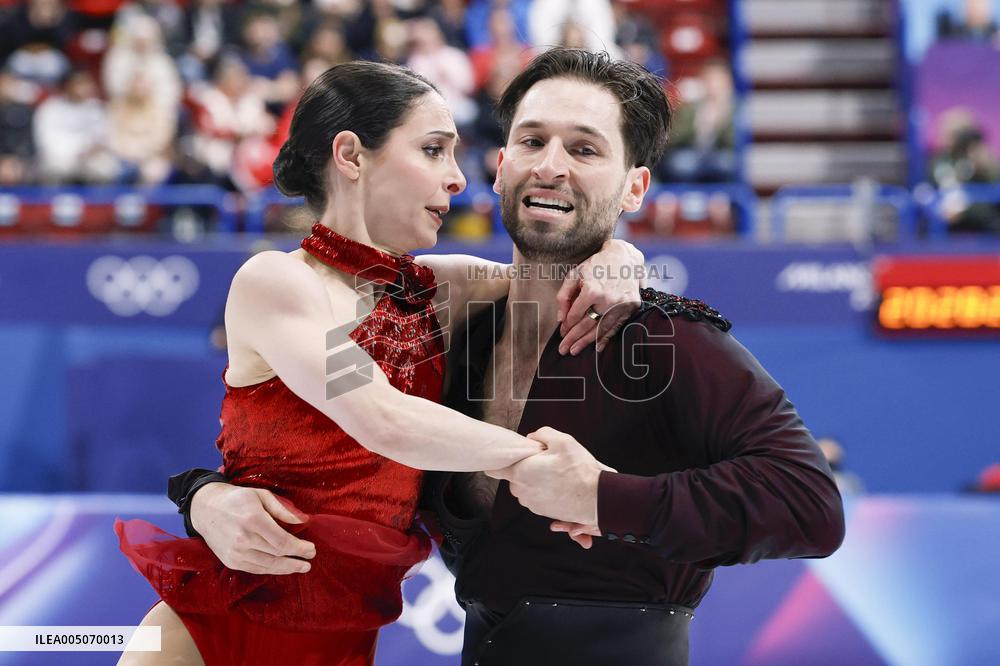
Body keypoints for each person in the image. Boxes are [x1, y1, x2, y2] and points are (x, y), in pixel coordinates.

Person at [171, 49, 846, 665]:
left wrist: (606, 497)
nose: (550, 164)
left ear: (635, 188)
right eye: (532, 141)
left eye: (584, 149)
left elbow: (811, 505)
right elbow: (348, 430)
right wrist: (205, 496)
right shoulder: (441, 320)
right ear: (503, 167)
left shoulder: (665, 338)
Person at [115, 59, 645, 666]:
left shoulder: (431, 287)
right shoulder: (278, 283)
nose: (457, 180)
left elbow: (545, 275)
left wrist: (618, 253)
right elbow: (382, 418)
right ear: (352, 156)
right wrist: (545, 466)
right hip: (215, 634)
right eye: (433, 151)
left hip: (342, 639)